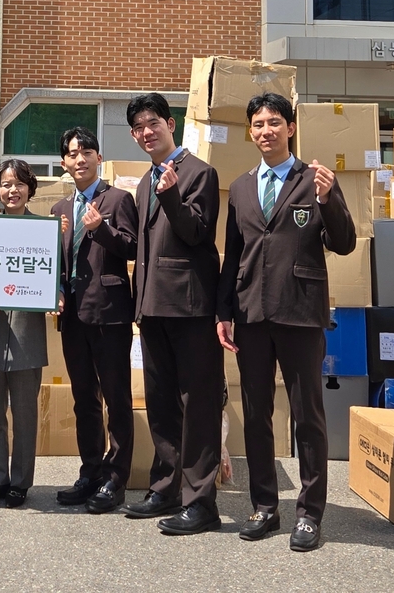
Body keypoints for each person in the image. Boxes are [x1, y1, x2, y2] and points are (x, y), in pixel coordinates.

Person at [217, 92, 356, 552]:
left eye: (274, 122)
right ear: (250, 132)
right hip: (252, 314)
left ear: (291, 128)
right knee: (256, 414)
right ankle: (264, 506)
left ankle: (310, 514)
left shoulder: (313, 179)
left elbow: (345, 242)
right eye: (258, 124)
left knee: (307, 416)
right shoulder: (241, 187)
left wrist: (328, 198)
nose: (266, 131)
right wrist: (223, 312)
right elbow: (233, 255)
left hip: (300, 313)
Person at [125, 93, 225, 536]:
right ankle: (165, 488)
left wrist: (171, 196)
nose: (147, 132)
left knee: (197, 404)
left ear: (171, 123)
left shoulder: (199, 173)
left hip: (190, 306)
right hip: (152, 306)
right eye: (139, 128)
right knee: (161, 402)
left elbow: (197, 232)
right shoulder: (144, 183)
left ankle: (200, 502)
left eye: (154, 123)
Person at [48, 127, 139, 514]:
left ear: (99, 158)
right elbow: (55, 262)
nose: (80, 158)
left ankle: (115, 479)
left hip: (110, 312)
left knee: (116, 398)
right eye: (73, 153)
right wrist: (54, 289)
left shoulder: (118, 199)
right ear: (64, 163)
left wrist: (100, 228)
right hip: (72, 316)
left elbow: (133, 247)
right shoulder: (59, 208)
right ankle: (89, 472)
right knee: (83, 398)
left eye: (87, 151)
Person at [0, 158, 48, 510]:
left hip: (27, 335)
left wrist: (56, 294)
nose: (12, 190)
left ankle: (20, 483)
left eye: (19, 184)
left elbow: (55, 278)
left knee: (25, 415)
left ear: (30, 189)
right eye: (5, 184)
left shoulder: (44, 231)